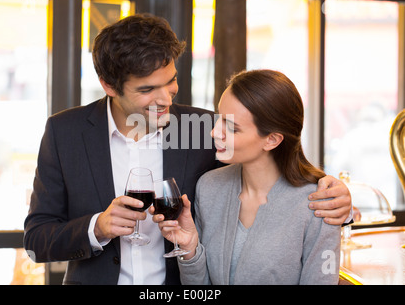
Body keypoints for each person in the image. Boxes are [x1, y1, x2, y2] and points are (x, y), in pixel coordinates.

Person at [24, 14, 350, 285]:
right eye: (148, 89)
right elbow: (37, 241)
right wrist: (98, 227)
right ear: (109, 85)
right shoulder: (65, 132)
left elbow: (274, 160)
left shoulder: (206, 129)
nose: (166, 98)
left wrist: (336, 196)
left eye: (171, 81)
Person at [152, 69, 342, 284]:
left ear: (272, 140)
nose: (215, 132)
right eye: (219, 118)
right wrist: (189, 249)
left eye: (232, 128)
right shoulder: (210, 187)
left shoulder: (319, 205)